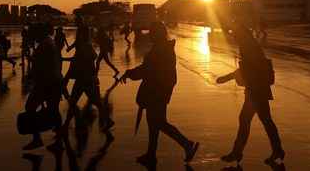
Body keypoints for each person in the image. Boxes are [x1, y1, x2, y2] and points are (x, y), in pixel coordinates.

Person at [120, 22, 199, 167]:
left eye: (152, 32)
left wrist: (130, 73)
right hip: (159, 91)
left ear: (157, 34)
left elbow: (148, 70)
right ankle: (151, 155)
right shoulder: (163, 48)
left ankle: (187, 144)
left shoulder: (161, 50)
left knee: (159, 122)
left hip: (157, 92)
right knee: (154, 123)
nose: (149, 34)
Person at [217, 24, 284, 165]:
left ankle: (237, 152)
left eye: (235, 33)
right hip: (257, 89)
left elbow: (250, 69)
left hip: (256, 90)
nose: (233, 36)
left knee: (247, 120)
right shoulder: (249, 45)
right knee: (264, 121)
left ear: (241, 34)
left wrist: (227, 77)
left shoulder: (248, 46)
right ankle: (276, 149)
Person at [60, 26, 113, 136]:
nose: (77, 36)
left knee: (75, 102)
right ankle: (108, 121)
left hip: (83, 79)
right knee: (94, 101)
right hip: (86, 79)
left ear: (82, 35)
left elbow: (77, 62)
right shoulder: (86, 46)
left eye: (79, 34)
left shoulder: (84, 47)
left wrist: (67, 74)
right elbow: (85, 61)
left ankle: (65, 127)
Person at [23, 24, 62, 150]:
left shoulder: (44, 45)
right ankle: (59, 141)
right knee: (54, 111)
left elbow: (42, 66)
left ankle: (37, 139)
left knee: (30, 107)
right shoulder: (49, 42)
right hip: (53, 81)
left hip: (46, 83)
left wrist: (32, 60)